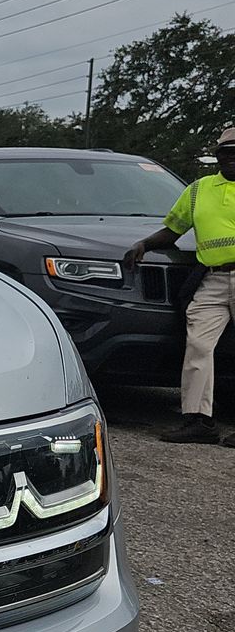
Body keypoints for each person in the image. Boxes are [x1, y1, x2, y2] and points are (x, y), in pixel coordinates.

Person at [124, 127, 235, 444]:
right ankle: (199, 421)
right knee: (199, 347)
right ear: (217, 156)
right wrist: (145, 244)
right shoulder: (199, 190)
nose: (231, 157)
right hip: (212, 279)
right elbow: (172, 230)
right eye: (226, 151)